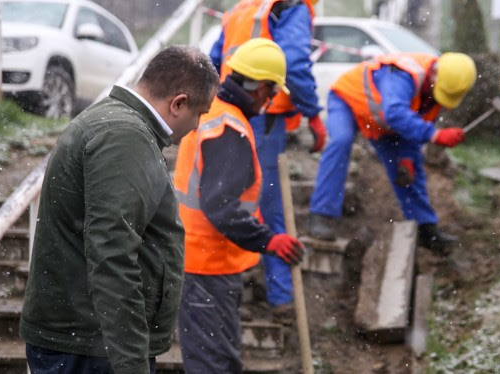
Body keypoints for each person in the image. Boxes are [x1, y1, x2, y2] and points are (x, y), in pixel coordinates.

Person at [19, 46, 219, 374]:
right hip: (91, 347)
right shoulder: (123, 135)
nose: (197, 125)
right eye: (200, 113)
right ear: (178, 103)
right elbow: (112, 254)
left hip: (91, 341)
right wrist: (131, 363)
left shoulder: (119, 125)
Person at [174, 38, 305, 373]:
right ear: (260, 87)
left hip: (200, 261)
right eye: (273, 93)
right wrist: (268, 239)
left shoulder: (213, 111)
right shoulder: (229, 129)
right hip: (206, 266)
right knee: (213, 363)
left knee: (219, 360)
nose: (271, 101)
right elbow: (220, 205)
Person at [209, 0, 323, 320]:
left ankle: (237, 284)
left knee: (235, 196)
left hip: (232, 107)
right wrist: (313, 114)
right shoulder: (292, 8)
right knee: (268, 202)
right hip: (264, 112)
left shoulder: (243, 9)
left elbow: (216, 60)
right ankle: (281, 295)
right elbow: (297, 63)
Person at [308, 52, 476, 252]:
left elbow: (412, 129)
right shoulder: (402, 74)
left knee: (411, 168)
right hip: (348, 100)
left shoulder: (436, 92)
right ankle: (320, 216)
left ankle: (425, 228)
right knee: (341, 141)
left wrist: (405, 157)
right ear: (435, 73)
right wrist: (435, 135)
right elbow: (395, 113)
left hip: (381, 122)